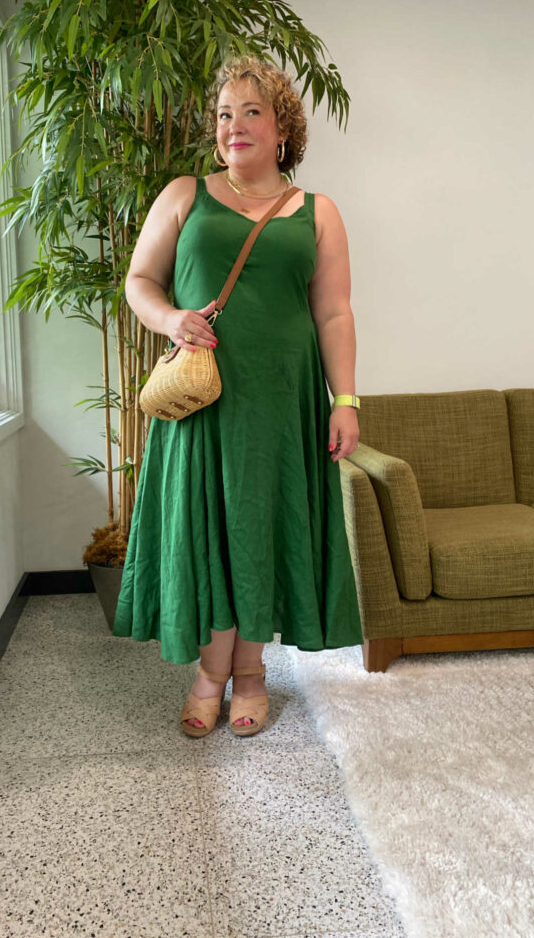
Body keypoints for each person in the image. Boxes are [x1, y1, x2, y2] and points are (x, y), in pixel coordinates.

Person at [112, 53, 363, 738]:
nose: (234, 126)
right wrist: (171, 319)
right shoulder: (184, 194)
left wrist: (346, 400)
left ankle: (249, 673)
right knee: (208, 530)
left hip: (281, 406)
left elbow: (334, 314)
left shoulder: (318, 213)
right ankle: (209, 672)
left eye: (251, 112)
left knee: (260, 528)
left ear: (284, 130)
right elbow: (140, 281)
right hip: (200, 404)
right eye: (225, 114)